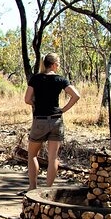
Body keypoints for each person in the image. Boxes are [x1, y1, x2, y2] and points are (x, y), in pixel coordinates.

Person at [24, 53, 81, 190]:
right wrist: (62, 110)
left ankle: (32, 188)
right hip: (56, 121)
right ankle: (48, 189)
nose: (59, 66)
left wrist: (36, 104)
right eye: (58, 63)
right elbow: (76, 95)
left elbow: (27, 99)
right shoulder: (60, 80)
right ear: (54, 65)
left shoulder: (36, 79)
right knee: (53, 158)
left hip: (40, 121)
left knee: (32, 155)